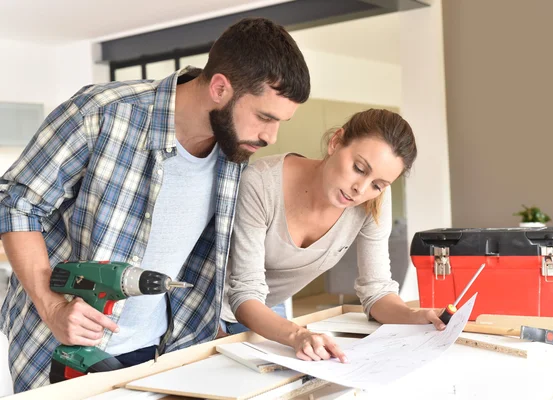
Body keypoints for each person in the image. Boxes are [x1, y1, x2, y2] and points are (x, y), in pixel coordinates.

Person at [0, 17, 310, 392]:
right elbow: (17, 203)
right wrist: (52, 309)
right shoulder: (101, 114)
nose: (270, 136)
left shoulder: (233, 152)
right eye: (264, 117)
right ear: (219, 87)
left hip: (167, 350)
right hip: (63, 347)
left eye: (281, 122)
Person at [220, 109, 444, 362]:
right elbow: (244, 293)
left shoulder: (374, 200)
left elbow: (377, 291)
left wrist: (415, 316)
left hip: (268, 312)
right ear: (335, 142)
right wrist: (296, 335)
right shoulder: (261, 184)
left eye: (378, 184)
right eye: (359, 168)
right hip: (211, 312)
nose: (360, 189)